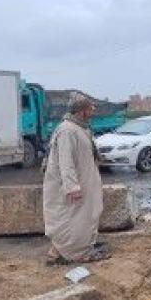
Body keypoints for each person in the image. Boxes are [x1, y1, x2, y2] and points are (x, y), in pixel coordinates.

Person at [43, 95, 110, 265]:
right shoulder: (68, 130)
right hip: (74, 185)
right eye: (90, 108)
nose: (93, 110)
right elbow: (66, 162)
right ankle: (77, 253)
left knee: (83, 216)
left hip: (85, 180)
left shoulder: (80, 128)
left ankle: (64, 250)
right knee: (72, 218)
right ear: (82, 111)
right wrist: (72, 187)